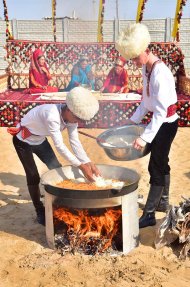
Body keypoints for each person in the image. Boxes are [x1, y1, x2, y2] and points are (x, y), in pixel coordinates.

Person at [115, 23, 178, 228]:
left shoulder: (160, 73)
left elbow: (160, 113)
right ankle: (163, 202)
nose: (133, 62)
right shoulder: (146, 67)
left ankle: (150, 214)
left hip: (166, 124)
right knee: (162, 162)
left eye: (134, 57)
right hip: (159, 122)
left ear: (145, 50)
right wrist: (131, 122)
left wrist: (143, 137)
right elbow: (145, 102)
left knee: (156, 166)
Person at [8, 87, 100, 226]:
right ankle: (39, 209)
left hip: (39, 140)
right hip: (23, 141)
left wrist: (88, 161)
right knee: (33, 175)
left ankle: (61, 204)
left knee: (56, 168)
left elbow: (74, 141)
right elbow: (60, 146)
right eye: (76, 118)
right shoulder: (52, 115)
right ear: (68, 109)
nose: (76, 121)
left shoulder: (71, 118)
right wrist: (81, 166)